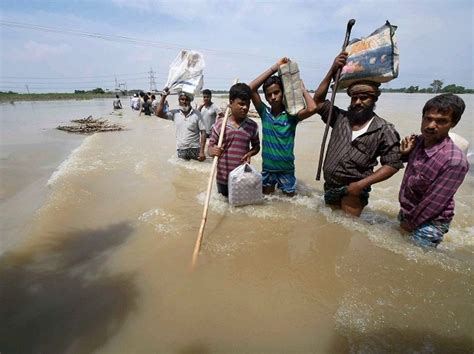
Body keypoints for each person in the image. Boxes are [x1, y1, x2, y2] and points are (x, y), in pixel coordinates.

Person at [313, 52, 403, 216]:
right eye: (354, 98)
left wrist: (361, 185)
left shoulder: (384, 129)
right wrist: (332, 70)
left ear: (374, 100)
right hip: (330, 186)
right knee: (332, 227)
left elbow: (393, 164)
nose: (358, 102)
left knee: (347, 227)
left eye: (364, 98)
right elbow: (318, 101)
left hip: (353, 191)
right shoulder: (340, 118)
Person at [398, 94, 469, 247]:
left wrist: (408, 224)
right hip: (408, 210)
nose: (431, 125)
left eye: (441, 121)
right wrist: (404, 153)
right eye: (428, 118)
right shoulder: (417, 142)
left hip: (431, 220)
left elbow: (433, 203)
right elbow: (395, 162)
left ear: (453, 123)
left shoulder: (454, 161)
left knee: (414, 262)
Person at [249, 57, 317, 197]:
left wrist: (301, 88)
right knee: (267, 201)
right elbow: (251, 88)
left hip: (287, 170)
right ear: (266, 97)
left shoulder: (291, 116)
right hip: (268, 170)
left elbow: (312, 108)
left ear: (283, 92)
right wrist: (275, 67)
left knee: (289, 204)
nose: (273, 97)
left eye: (276, 92)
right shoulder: (264, 113)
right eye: (269, 95)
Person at [208, 83, 260, 197]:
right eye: (241, 104)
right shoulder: (220, 124)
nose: (245, 107)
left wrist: (250, 153)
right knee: (223, 203)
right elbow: (210, 147)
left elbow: (257, 147)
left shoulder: (252, 126)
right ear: (231, 102)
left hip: (241, 177)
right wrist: (213, 151)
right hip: (223, 177)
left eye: (247, 104)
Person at [156, 90, 206, 161]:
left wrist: (202, 151)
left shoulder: (197, 114)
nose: (184, 102)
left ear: (190, 101)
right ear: (179, 100)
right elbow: (158, 114)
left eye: (187, 100)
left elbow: (203, 132)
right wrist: (164, 96)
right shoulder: (174, 113)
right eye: (182, 99)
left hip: (195, 149)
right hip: (181, 149)